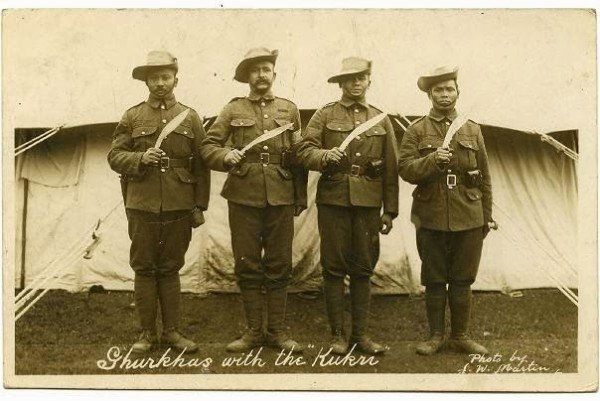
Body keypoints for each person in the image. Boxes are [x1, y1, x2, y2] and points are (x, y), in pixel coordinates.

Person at [200, 47, 307, 353]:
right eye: (255, 70)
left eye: (266, 69)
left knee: (279, 263)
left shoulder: (289, 110)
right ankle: (253, 331)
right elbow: (208, 146)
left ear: (274, 74)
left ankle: (276, 332)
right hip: (243, 196)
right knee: (247, 263)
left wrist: (299, 196)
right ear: (247, 76)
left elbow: (299, 155)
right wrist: (225, 155)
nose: (261, 75)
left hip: (281, 195)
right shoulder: (232, 110)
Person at [107, 50, 210, 353]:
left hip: (179, 204)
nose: (160, 83)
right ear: (146, 82)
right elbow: (114, 156)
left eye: (166, 77)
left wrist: (199, 205)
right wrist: (141, 158)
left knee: (170, 267)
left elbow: (201, 165)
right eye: (154, 78)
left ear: (176, 79)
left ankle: (172, 333)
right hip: (142, 204)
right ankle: (146, 333)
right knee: (144, 268)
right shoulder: (132, 116)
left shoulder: (190, 117)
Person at [296, 57, 399, 355]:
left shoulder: (380, 119)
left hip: (368, 202)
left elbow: (391, 167)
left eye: (361, 77)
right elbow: (303, 150)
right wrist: (323, 156)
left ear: (369, 81)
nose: (356, 82)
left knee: (363, 268)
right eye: (350, 78)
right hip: (334, 200)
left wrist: (390, 211)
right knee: (333, 268)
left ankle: (361, 335)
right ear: (340, 82)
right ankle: (338, 336)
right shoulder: (325, 114)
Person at [397, 66, 494, 355]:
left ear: (457, 92)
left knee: (463, 278)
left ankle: (460, 336)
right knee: (435, 278)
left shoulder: (472, 129)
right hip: (431, 214)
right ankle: (436, 336)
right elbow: (405, 169)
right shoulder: (416, 130)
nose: (444, 94)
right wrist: (432, 161)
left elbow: (485, 176)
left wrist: (486, 216)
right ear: (429, 95)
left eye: (449, 89)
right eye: (438, 90)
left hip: (469, 213)